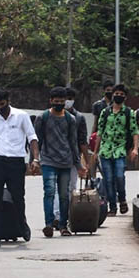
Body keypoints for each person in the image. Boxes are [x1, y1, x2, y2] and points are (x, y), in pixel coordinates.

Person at [0, 88, 39, 249]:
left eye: (2, 104)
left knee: (18, 198)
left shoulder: (21, 116)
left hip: (16, 162)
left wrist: (35, 159)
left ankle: (22, 224)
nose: (0, 107)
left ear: (8, 101)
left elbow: (32, 137)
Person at [34, 87, 88, 237]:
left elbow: (73, 143)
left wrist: (79, 165)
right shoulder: (42, 118)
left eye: (61, 101)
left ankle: (63, 225)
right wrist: (35, 160)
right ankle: (49, 224)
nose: (59, 104)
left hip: (66, 162)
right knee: (49, 192)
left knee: (65, 195)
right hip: (48, 161)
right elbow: (37, 141)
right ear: (51, 101)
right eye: (56, 101)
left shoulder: (70, 119)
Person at [93, 84, 138, 215]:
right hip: (105, 150)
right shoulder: (105, 112)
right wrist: (95, 152)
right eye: (116, 93)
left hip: (120, 150)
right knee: (108, 179)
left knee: (119, 176)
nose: (118, 96)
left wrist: (135, 148)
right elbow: (99, 132)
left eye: (121, 94)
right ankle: (112, 206)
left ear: (125, 97)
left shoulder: (129, 113)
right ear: (112, 95)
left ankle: (122, 199)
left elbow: (134, 131)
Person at [51, 87, 90, 228]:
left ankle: (65, 215)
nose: (67, 102)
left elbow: (82, 141)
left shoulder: (78, 118)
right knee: (56, 188)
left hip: (72, 158)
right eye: (65, 98)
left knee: (70, 188)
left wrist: (86, 160)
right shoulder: (50, 116)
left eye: (70, 99)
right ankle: (57, 216)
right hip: (54, 157)